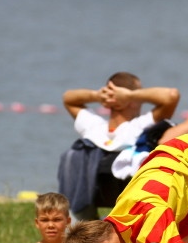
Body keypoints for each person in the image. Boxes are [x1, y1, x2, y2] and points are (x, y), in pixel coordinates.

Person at [60, 72, 180, 220]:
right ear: (132, 101)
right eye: (139, 92)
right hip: (132, 199)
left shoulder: (93, 126)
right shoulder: (141, 126)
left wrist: (97, 96)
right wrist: (130, 95)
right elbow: (172, 95)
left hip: (90, 198)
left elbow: (68, 98)